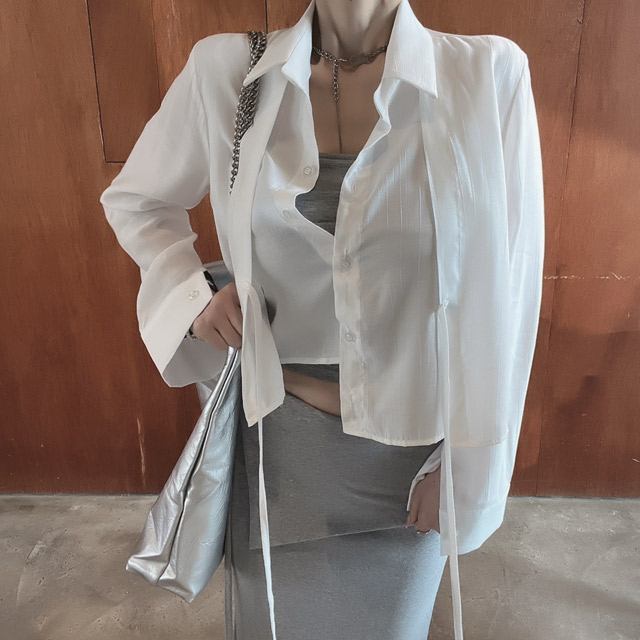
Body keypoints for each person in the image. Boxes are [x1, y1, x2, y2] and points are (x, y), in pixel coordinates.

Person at [99, 0, 545, 638]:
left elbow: (511, 289)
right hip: (276, 453)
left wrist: (469, 467)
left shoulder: (486, 76)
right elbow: (139, 200)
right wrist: (190, 295)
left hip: (410, 461)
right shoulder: (231, 74)